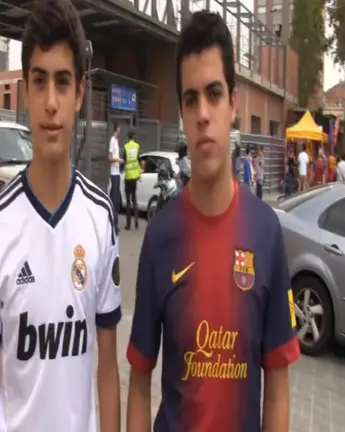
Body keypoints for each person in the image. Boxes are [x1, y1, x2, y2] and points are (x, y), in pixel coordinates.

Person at [126, 11, 299, 432]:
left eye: (214, 94)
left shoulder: (266, 233)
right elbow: (138, 379)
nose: (203, 113)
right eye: (190, 98)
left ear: (234, 105)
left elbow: (276, 382)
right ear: (182, 115)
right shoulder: (160, 237)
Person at [0, 1, 121, 431]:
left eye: (62, 82)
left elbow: (107, 376)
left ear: (79, 94)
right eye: (40, 81)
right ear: (25, 91)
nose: (51, 102)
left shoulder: (101, 218)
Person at [123, 129, 141, 230]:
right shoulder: (137, 146)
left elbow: (124, 160)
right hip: (135, 176)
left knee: (128, 201)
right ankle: (136, 222)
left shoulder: (126, 147)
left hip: (128, 176)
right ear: (133, 137)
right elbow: (138, 159)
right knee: (135, 199)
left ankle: (128, 225)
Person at [107, 122, 123, 228]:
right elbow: (110, 158)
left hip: (117, 173)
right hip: (113, 173)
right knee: (114, 198)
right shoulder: (112, 141)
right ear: (116, 129)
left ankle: (115, 222)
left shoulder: (116, 141)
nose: (120, 131)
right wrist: (118, 160)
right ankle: (113, 223)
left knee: (117, 198)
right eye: (119, 129)